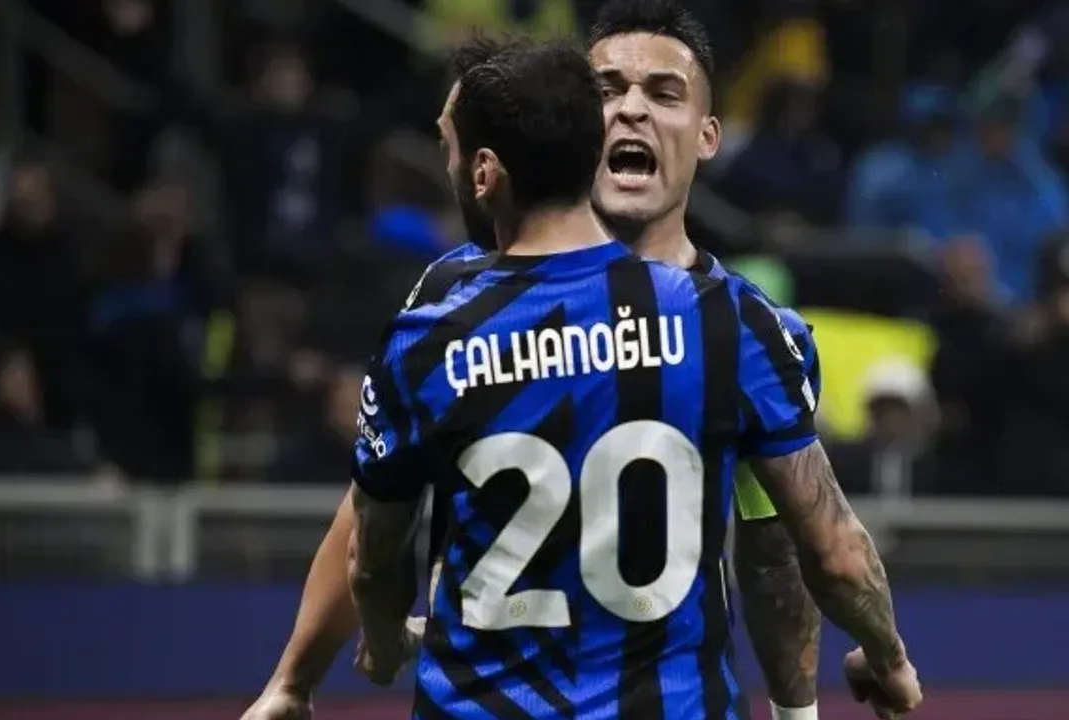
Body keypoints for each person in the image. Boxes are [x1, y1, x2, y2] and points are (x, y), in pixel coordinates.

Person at [253, 35, 922, 720]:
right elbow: (368, 507)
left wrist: (796, 712)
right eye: (607, 90)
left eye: (662, 92)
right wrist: (294, 677)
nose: (630, 110)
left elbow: (773, 553)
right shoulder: (726, 324)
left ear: (708, 135)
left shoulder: (750, 327)